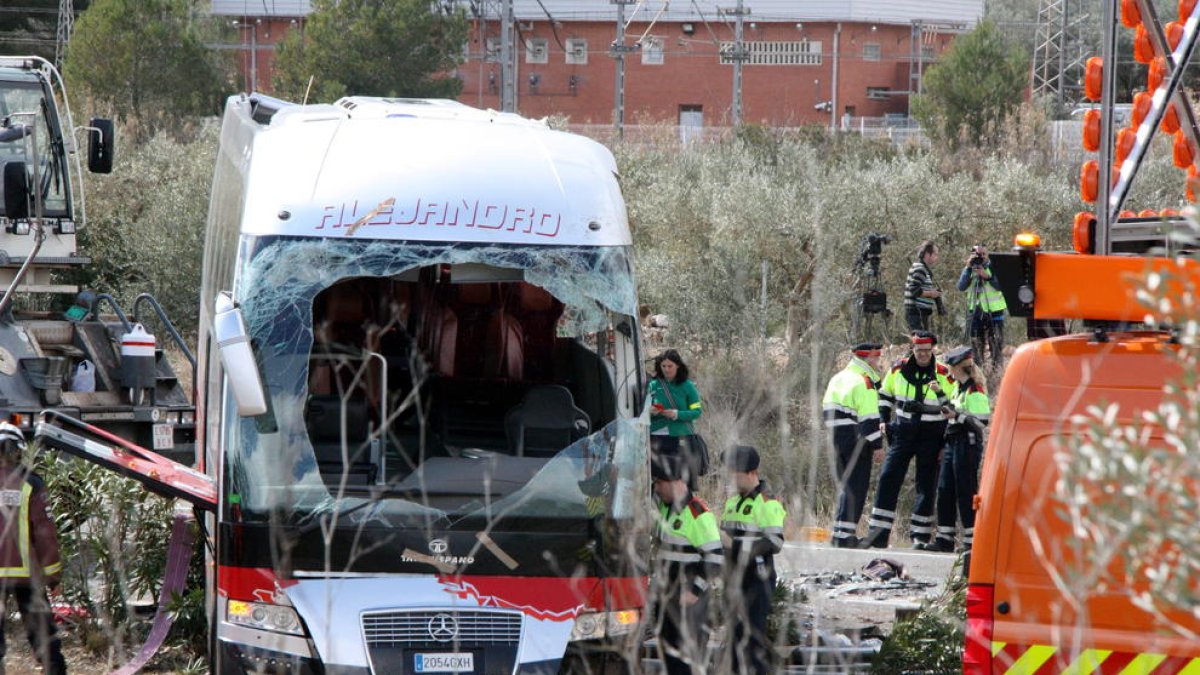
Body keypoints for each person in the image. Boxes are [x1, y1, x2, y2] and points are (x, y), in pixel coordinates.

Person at [861, 331, 954, 549]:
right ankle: (878, 534)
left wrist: (945, 443)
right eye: (919, 350)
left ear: (933, 350)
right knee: (888, 477)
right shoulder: (898, 369)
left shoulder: (943, 373)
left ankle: (919, 537)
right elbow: (884, 396)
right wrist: (883, 420)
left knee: (926, 484)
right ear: (912, 349)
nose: (923, 355)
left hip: (932, 435)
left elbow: (952, 407)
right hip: (903, 431)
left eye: (927, 351)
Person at [0, 422, 66, 675]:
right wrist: (53, 576)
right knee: (44, 640)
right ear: (18, 450)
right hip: (28, 578)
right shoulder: (32, 484)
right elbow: (45, 533)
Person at [651, 454, 722, 675]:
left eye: (660, 483)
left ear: (676, 482)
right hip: (668, 598)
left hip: (690, 604)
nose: (656, 488)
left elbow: (715, 558)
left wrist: (694, 591)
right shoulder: (665, 509)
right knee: (671, 662)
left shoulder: (697, 514)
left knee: (687, 664)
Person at [719, 445, 786, 675]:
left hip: (757, 579)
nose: (731, 478)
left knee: (751, 643)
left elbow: (774, 543)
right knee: (734, 642)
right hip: (734, 579)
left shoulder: (767, 502)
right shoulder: (732, 502)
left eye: (734, 473)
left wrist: (734, 544)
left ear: (750, 472)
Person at [919, 346, 991, 553]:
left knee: (965, 492)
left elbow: (981, 422)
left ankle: (971, 542)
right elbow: (952, 408)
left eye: (951, 367)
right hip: (953, 442)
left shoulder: (974, 390)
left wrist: (957, 416)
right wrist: (939, 394)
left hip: (966, 444)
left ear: (959, 367)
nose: (948, 371)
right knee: (945, 490)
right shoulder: (959, 388)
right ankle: (944, 539)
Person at [821, 343, 884, 548]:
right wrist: (877, 445)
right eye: (876, 358)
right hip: (856, 437)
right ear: (868, 359)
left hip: (836, 435)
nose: (878, 362)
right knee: (856, 485)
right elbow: (869, 418)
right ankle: (846, 536)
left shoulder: (838, 378)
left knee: (845, 485)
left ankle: (839, 533)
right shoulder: (864, 382)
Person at [649, 349, 706, 488]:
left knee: (682, 477)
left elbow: (697, 411)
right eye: (663, 366)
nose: (666, 370)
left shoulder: (688, 386)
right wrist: (650, 411)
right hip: (656, 438)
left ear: (678, 366)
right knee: (659, 478)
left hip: (680, 437)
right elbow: (643, 410)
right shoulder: (653, 385)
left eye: (670, 366)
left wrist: (676, 414)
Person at [957, 245, 1007, 368]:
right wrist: (968, 268)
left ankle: (997, 371)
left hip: (994, 311)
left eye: (983, 254)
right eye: (978, 255)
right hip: (975, 310)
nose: (981, 257)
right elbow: (961, 287)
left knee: (995, 343)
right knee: (977, 344)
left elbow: (1002, 286)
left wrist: (987, 277)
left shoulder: (994, 267)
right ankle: (978, 371)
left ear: (987, 254)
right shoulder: (969, 269)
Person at [903, 240, 944, 332]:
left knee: (923, 342)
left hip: (920, 312)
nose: (937, 257)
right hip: (916, 312)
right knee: (921, 342)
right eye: (935, 254)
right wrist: (931, 293)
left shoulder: (922, 268)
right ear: (927, 254)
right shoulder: (920, 269)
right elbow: (914, 290)